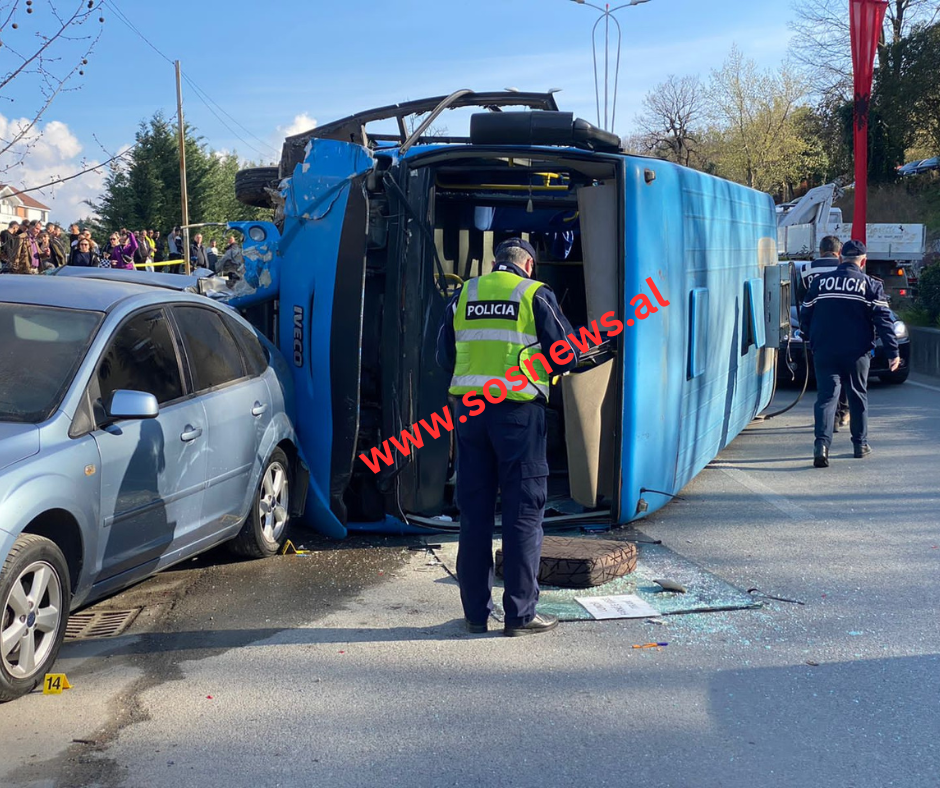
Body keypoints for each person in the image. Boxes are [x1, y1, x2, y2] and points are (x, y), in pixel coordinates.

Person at [436, 238, 580, 636]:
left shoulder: (465, 293)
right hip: (517, 413)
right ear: (528, 265)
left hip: (470, 415)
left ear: (496, 263)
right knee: (522, 512)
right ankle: (520, 615)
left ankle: (475, 616)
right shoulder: (535, 293)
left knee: (475, 515)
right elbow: (566, 354)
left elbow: (443, 356)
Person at [800, 239, 899, 467]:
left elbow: (806, 314)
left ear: (840, 258)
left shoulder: (820, 282)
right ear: (863, 261)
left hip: (824, 349)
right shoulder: (871, 285)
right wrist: (893, 352)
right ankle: (860, 445)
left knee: (826, 398)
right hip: (857, 352)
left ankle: (821, 446)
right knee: (857, 396)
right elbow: (884, 321)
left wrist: (811, 338)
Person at [797, 235, 850, 430]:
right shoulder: (845, 269)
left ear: (820, 250)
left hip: (819, 331)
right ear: (839, 251)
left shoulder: (805, 270)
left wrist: (805, 330)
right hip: (846, 329)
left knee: (826, 379)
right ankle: (843, 412)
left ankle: (829, 416)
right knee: (845, 375)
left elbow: (804, 301)